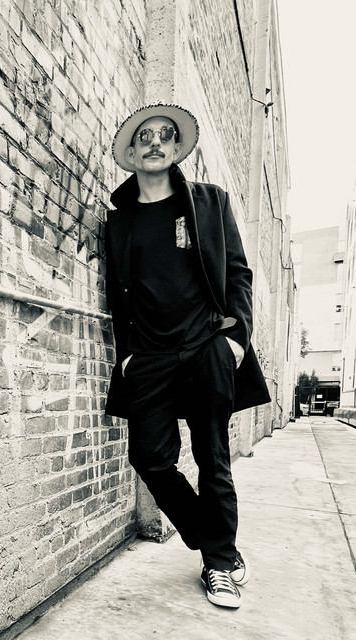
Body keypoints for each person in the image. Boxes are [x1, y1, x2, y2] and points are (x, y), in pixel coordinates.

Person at [104, 103, 270, 609]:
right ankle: (213, 538)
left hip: (206, 347)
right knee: (148, 458)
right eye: (144, 136)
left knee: (211, 457)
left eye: (165, 135)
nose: (155, 142)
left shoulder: (209, 202)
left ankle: (218, 566)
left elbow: (237, 273)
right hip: (149, 356)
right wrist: (126, 355)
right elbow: (118, 296)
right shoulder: (119, 223)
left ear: (176, 149)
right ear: (132, 153)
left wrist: (237, 338)